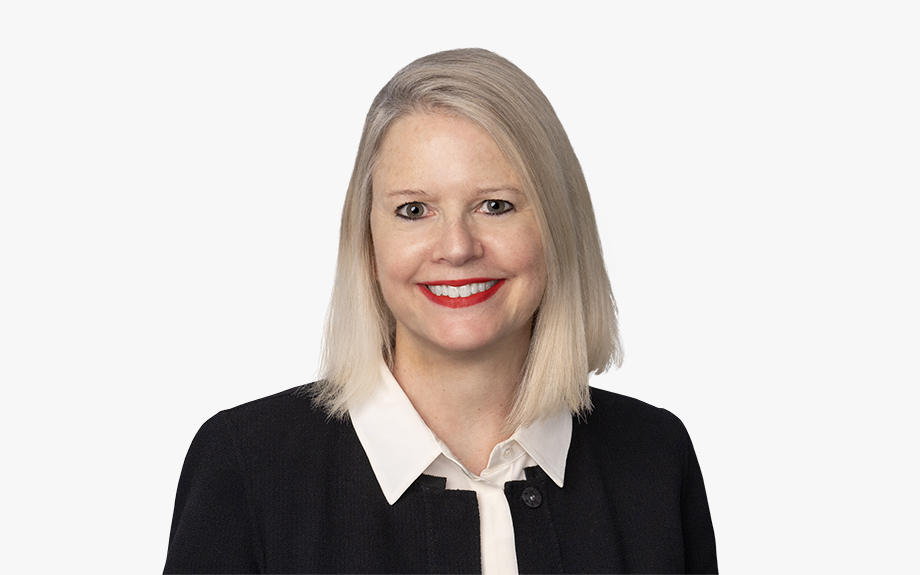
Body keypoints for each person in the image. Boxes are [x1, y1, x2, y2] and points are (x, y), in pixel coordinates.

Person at [164, 48, 717, 574]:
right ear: (367, 241)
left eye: (495, 205)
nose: (456, 247)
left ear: (558, 229)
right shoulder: (245, 466)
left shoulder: (655, 458)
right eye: (414, 210)